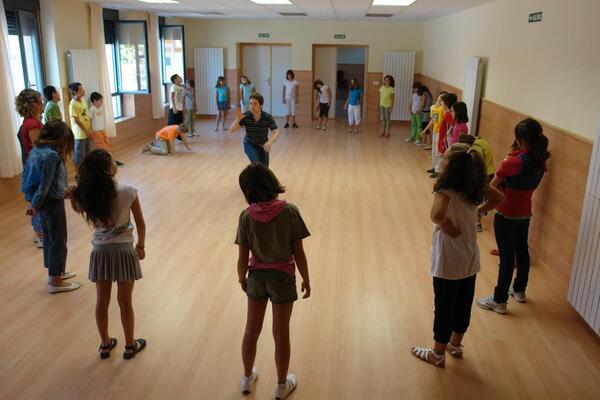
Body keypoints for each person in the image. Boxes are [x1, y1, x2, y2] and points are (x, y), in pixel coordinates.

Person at [411, 143, 505, 367]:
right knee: (463, 304)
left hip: (448, 260)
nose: (440, 159)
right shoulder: (474, 187)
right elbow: (499, 198)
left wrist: (446, 225)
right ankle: (455, 345)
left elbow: (436, 214)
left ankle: (437, 353)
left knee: (443, 306)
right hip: (469, 258)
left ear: (450, 167)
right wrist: (478, 210)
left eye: (444, 157)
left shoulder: (445, 190)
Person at [235, 163, 311, 399]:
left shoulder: (246, 216)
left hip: (256, 277)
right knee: (281, 333)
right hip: (283, 278)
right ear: (271, 182)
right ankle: (280, 385)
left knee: (251, 330)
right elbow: (298, 252)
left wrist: (241, 278)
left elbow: (242, 258)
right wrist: (306, 278)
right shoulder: (290, 212)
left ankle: (247, 379)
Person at [66, 149, 147, 360]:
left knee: (102, 301)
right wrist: (141, 246)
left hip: (100, 252)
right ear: (108, 170)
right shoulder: (128, 191)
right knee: (125, 301)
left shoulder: (88, 195)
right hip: (123, 252)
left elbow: (78, 210)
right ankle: (130, 345)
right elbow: (140, 223)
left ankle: (104, 344)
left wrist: (74, 198)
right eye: (113, 161)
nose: (115, 163)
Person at [476, 118, 550, 314]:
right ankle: (519, 290)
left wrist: (480, 208)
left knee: (507, 258)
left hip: (506, 214)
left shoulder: (513, 162)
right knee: (522, 252)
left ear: (521, 140)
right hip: (525, 213)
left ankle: (499, 300)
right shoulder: (540, 159)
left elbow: (491, 188)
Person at [21, 121, 81, 294]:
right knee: (58, 240)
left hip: (44, 202)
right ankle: (55, 281)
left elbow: (31, 180)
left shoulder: (36, 151)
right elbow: (45, 186)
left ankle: (55, 273)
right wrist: (35, 205)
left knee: (49, 238)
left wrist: (34, 204)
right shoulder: (51, 156)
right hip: (51, 202)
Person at [15, 88, 45, 248]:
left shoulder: (29, 122)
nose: (42, 104)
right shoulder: (32, 124)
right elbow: (38, 148)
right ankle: (41, 236)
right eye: (39, 101)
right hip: (37, 170)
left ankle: (38, 233)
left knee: (36, 201)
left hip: (32, 168)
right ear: (32, 104)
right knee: (39, 201)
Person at [230, 93, 280, 167]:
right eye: (250, 103)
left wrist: (269, 142)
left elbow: (276, 132)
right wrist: (237, 119)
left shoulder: (267, 117)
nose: (252, 106)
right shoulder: (246, 116)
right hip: (250, 144)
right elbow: (231, 130)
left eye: (255, 104)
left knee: (265, 168)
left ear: (261, 105)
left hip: (263, 144)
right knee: (257, 164)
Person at [458, 134, 496, 232]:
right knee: (480, 198)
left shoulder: (476, 147)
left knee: (477, 198)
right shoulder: (481, 141)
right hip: (488, 173)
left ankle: (477, 222)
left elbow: (476, 163)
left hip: (483, 175)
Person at [89, 92, 124, 167]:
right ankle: (111, 162)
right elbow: (90, 120)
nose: (101, 103)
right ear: (94, 101)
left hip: (102, 130)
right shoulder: (92, 109)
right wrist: (91, 130)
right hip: (96, 132)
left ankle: (111, 161)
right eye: (100, 101)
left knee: (107, 146)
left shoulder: (100, 108)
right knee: (102, 148)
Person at [422, 91, 448, 178]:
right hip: (435, 131)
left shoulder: (443, 110)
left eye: (440, 100)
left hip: (440, 133)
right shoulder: (433, 108)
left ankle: (438, 170)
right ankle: (434, 167)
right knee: (433, 150)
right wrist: (425, 130)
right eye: (438, 99)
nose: (438, 101)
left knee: (438, 151)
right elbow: (432, 120)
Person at [69, 82, 91, 169]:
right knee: (79, 156)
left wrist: (89, 129)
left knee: (87, 154)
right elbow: (76, 120)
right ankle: (78, 174)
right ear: (75, 92)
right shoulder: (73, 103)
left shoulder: (83, 101)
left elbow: (86, 116)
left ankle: (86, 172)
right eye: (81, 89)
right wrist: (86, 130)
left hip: (86, 132)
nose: (83, 90)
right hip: (79, 135)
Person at [437, 93, 457, 167]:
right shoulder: (448, 113)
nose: (441, 103)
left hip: (446, 141)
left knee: (445, 159)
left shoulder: (449, 115)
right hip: (443, 139)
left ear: (447, 103)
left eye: (443, 101)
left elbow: (451, 131)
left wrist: (445, 142)